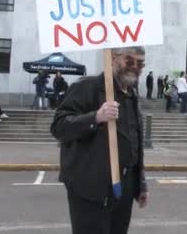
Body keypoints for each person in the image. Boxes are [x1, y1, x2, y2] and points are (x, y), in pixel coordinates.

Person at [50, 46, 148, 234]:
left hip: (123, 189)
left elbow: (135, 144)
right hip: (90, 189)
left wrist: (140, 184)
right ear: (112, 58)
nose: (135, 66)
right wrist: (96, 117)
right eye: (129, 61)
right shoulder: (86, 87)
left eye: (140, 62)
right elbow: (59, 127)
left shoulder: (132, 96)